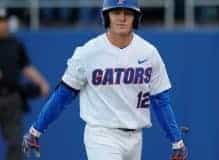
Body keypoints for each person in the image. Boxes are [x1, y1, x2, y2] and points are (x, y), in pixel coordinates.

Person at [22, 0, 188, 160]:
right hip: (101, 134)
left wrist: (176, 140)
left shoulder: (149, 53)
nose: (122, 18)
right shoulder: (87, 53)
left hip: (136, 136)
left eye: (127, 13)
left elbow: (160, 101)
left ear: (136, 18)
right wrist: (36, 129)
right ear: (106, 16)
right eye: (116, 12)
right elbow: (63, 96)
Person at [0, 8, 49, 160]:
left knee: (15, 142)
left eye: (4, 21)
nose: (2, 25)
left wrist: (41, 82)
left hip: (11, 97)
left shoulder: (15, 44)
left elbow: (25, 66)